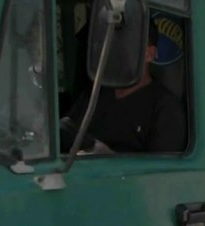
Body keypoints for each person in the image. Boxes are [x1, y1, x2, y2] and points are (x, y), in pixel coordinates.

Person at [60, 18, 186, 154]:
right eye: (109, 45)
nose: (114, 52)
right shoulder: (95, 94)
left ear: (149, 54)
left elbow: (164, 172)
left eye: (124, 45)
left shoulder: (165, 108)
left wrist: (107, 156)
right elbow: (67, 131)